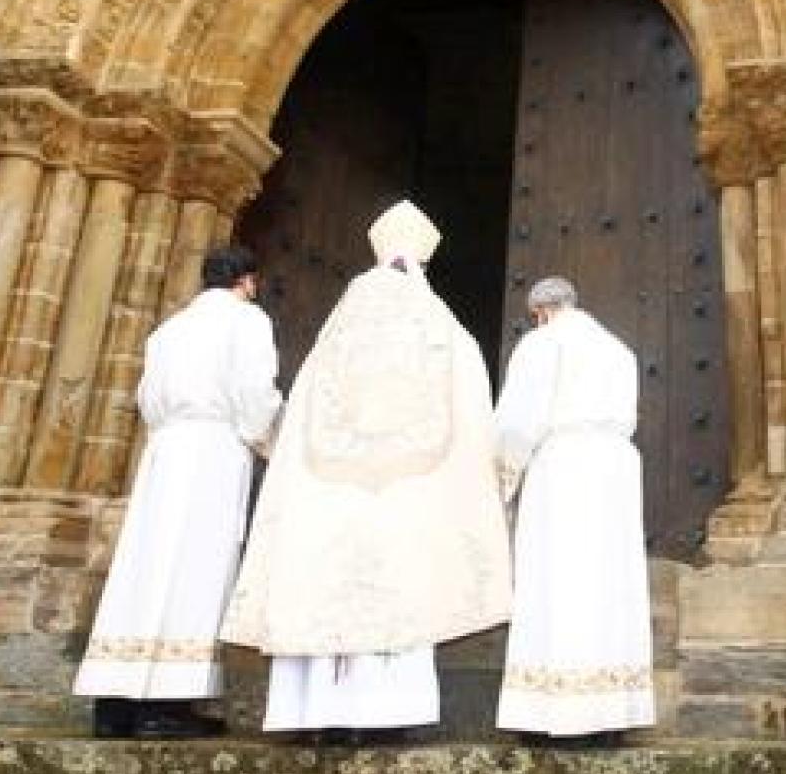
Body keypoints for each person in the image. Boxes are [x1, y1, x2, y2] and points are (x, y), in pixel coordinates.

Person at [220, 200, 512, 741]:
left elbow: (296, 408)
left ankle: (314, 715)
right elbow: (470, 400)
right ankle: (378, 717)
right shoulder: (442, 329)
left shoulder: (333, 335)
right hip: (405, 487)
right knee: (394, 585)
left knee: (325, 581)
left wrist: (272, 449)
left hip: (328, 490)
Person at [72, 244, 282, 739]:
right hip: (212, 450)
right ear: (247, 283)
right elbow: (255, 393)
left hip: (165, 452)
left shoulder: (168, 329)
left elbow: (147, 398)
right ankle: (167, 703)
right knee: (194, 567)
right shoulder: (247, 322)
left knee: (141, 566)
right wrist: (270, 443)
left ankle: (115, 700)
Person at [493, 277, 654, 743]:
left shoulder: (542, 345)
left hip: (562, 468)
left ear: (540, 311)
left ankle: (553, 714)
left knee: (557, 580)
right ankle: (608, 714)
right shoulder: (618, 350)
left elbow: (517, 424)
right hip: (615, 470)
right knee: (608, 582)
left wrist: (503, 476)